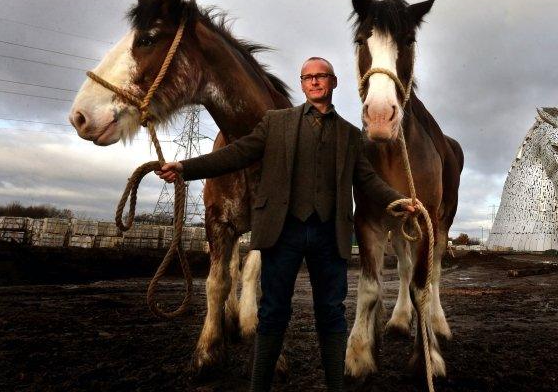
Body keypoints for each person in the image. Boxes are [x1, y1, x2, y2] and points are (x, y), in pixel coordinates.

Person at [156, 57, 415, 392]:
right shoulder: (276, 123)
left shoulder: (351, 135)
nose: (315, 82)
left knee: (331, 314)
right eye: (308, 77)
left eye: (321, 76)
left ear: (333, 82)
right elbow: (237, 153)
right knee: (273, 311)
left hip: (329, 236)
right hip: (283, 233)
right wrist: (185, 168)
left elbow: (368, 181)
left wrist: (400, 200)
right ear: (303, 83)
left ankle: (335, 387)